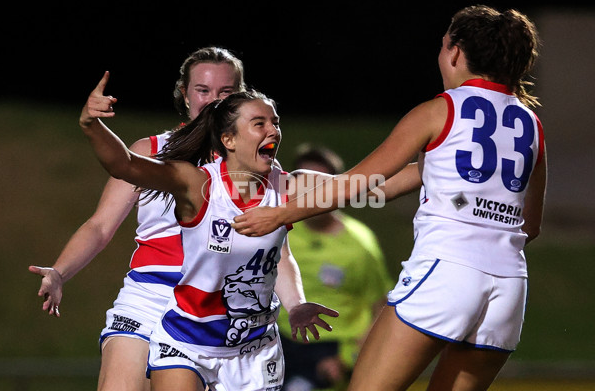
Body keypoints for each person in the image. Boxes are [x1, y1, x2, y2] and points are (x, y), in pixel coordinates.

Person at [232, 5, 547, 391]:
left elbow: (353, 186)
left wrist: (278, 215)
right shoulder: (531, 124)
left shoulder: (440, 110)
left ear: (456, 52)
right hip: (509, 287)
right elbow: (529, 225)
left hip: (446, 271)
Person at [28, 47, 307, 391]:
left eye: (226, 93)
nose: (213, 100)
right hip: (153, 295)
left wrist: (297, 305)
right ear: (184, 93)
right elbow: (101, 226)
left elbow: (278, 254)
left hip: (221, 311)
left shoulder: (262, 167)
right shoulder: (151, 151)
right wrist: (59, 272)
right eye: (203, 90)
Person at [78, 76, 339, 391]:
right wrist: (92, 125)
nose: (273, 130)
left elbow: (372, 185)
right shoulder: (199, 185)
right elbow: (125, 165)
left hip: (253, 348)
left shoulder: (286, 185)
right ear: (228, 139)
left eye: (275, 122)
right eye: (260, 123)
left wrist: (417, 167)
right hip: (187, 341)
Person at [278, 143, 393, 391]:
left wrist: (347, 358)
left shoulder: (359, 244)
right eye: (303, 184)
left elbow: (381, 308)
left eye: (320, 186)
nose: (311, 193)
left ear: (338, 189)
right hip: (278, 341)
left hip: (328, 350)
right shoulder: (280, 229)